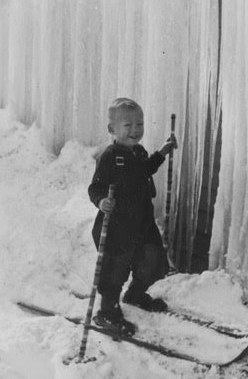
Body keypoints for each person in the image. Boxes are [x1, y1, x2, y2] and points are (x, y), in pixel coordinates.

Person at [88, 97, 177, 332]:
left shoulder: (138, 152)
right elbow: (95, 187)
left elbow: (144, 170)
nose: (135, 130)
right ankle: (107, 312)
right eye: (128, 125)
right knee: (115, 270)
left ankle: (135, 295)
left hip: (142, 223)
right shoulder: (109, 156)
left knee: (152, 258)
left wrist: (161, 153)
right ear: (112, 129)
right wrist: (101, 201)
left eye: (139, 124)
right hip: (117, 226)